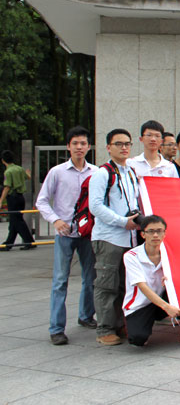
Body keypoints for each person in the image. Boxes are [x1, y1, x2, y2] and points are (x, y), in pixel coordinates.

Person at [35, 127, 98, 345]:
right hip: (64, 234)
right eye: (75, 143)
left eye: (83, 143)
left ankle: (86, 315)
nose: (79, 147)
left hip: (87, 233)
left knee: (90, 278)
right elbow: (42, 201)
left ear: (88, 147)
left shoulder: (96, 172)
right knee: (60, 281)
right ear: (68, 146)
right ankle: (56, 329)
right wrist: (55, 220)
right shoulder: (57, 172)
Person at [123, 215, 180, 346]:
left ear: (164, 234)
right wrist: (167, 307)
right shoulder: (131, 256)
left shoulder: (169, 252)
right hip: (140, 305)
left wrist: (174, 279)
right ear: (143, 234)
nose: (155, 235)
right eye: (151, 231)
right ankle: (139, 324)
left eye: (159, 231)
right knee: (138, 339)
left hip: (162, 299)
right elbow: (142, 287)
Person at [89, 129, 141, 346]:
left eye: (127, 143)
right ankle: (105, 328)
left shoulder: (130, 172)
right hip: (109, 237)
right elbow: (95, 206)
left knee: (123, 284)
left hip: (129, 238)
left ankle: (119, 324)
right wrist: (122, 221)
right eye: (119, 144)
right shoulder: (102, 173)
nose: (124, 147)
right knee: (106, 284)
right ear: (108, 147)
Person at [1, 150, 35, 250]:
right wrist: (28, 173)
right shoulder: (19, 168)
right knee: (14, 221)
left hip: (13, 198)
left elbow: (7, 187)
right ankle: (8, 244)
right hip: (20, 197)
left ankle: (29, 242)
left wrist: (1, 200)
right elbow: (28, 177)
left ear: (3, 160)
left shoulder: (8, 172)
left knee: (17, 221)